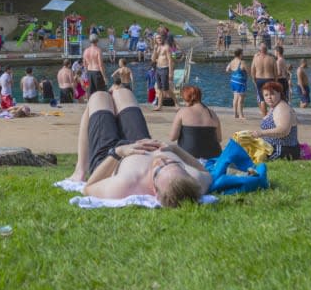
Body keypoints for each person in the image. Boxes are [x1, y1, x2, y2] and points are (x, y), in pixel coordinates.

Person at [68, 89, 211, 207]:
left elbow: (88, 188)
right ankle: (115, 96)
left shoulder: (126, 184)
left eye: (159, 168)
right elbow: (206, 173)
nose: (162, 160)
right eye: (173, 163)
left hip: (110, 155)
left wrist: (118, 152)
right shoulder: (195, 180)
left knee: (98, 96)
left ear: (154, 190)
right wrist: (175, 150)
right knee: (123, 92)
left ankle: (79, 169)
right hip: (142, 141)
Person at [245, 81, 301, 160]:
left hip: (282, 150)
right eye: (266, 95)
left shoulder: (282, 108)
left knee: (247, 160)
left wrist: (261, 133)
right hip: (273, 148)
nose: (269, 97)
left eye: (272, 94)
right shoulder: (274, 107)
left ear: (280, 94)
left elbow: (283, 131)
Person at [169, 85, 223, 160]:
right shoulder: (212, 113)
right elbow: (219, 139)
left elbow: (172, 137)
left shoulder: (182, 112)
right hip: (213, 157)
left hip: (189, 157)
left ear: (187, 98)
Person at [151, 33, 176, 110]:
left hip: (165, 69)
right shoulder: (156, 48)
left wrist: (170, 73)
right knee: (159, 89)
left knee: (166, 89)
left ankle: (176, 103)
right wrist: (155, 50)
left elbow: (170, 60)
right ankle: (159, 106)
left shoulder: (166, 47)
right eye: (157, 38)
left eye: (160, 38)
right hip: (158, 69)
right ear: (155, 40)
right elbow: (153, 59)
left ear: (162, 38)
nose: (159, 39)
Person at [225, 48, 247, 119]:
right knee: (241, 99)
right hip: (240, 82)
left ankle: (235, 114)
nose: (243, 55)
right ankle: (241, 115)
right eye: (242, 53)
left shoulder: (232, 61)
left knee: (235, 98)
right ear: (240, 54)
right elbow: (248, 71)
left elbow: (227, 69)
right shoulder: (242, 62)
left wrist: (233, 70)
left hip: (233, 81)